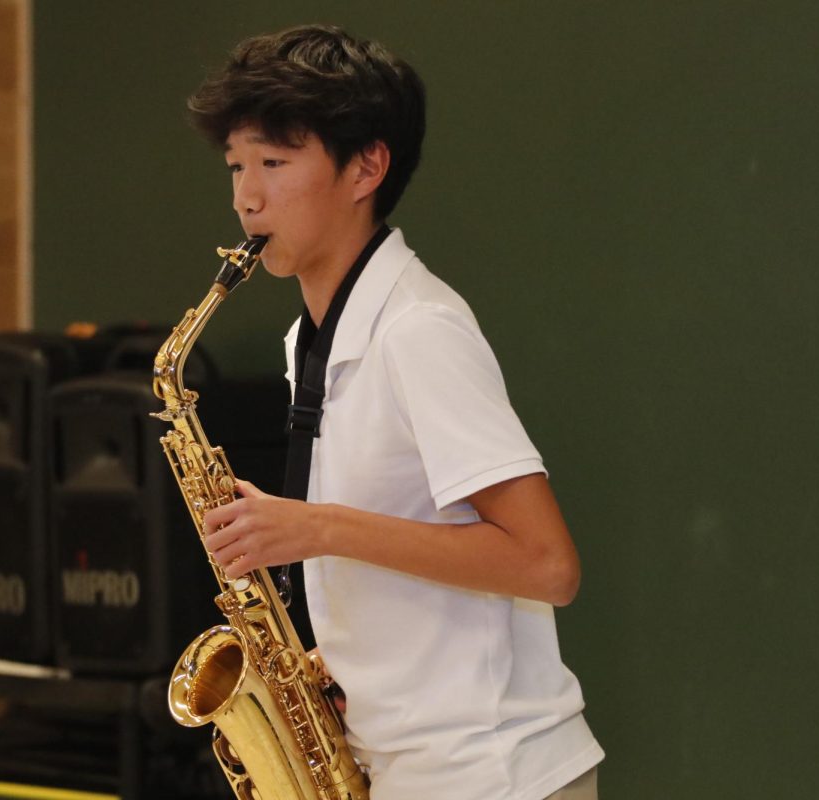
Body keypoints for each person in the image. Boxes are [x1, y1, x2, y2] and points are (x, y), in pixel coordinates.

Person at [194, 25, 604, 800]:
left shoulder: (419, 330)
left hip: (498, 777)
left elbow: (549, 565)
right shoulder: (310, 339)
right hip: (411, 773)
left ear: (366, 167)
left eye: (275, 164)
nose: (247, 195)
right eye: (237, 166)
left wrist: (315, 527)